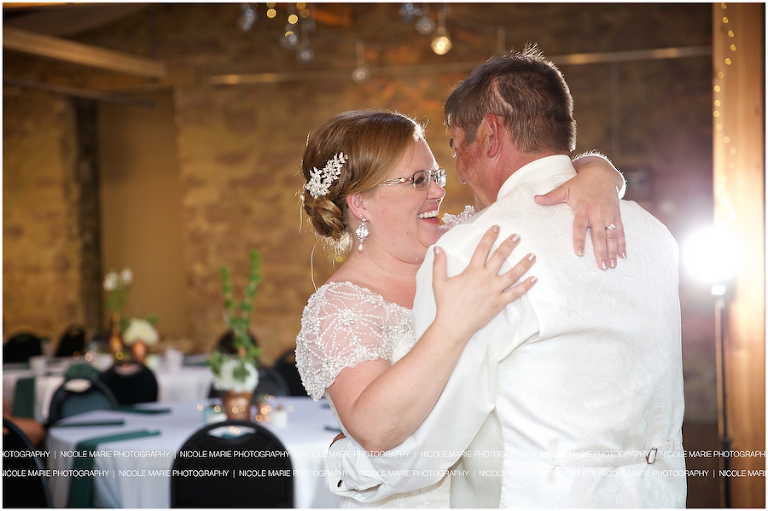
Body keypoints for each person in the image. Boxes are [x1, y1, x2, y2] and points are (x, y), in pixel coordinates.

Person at [327, 47, 685, 508]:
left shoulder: (474, 250)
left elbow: (434, 442)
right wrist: (599, 169)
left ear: (490, 135)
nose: (449, 181)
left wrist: (343, 466)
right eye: (419, 179)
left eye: (454, 148)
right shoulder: (653, 232)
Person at [296, 108, 626, 508]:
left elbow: (537, 185)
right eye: (418, 180)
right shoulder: (340, 306)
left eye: (436, 175)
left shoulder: (465, 237)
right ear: (360, 202)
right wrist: (451, 326)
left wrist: (597, 172)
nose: (438, 191)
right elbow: (374, 431)